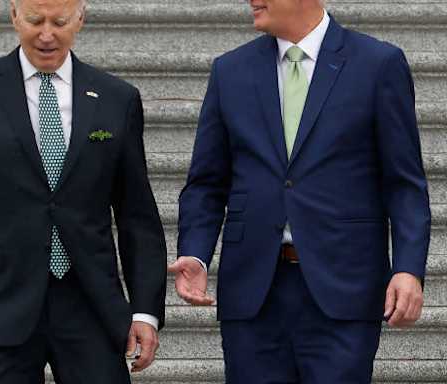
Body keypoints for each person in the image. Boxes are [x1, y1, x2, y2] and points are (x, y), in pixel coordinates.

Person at [171, 0, 430, 382]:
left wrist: (408, 268)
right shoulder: (230, 70)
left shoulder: (377, 64)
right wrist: (196, 252)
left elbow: (404, 183)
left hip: (343, 289)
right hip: (253, 294)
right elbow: (206, 184)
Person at [0, 0, 167, 382]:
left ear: (81, 18)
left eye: (59, 22)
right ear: (14, 15)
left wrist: (145, 310)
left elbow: (137, 217)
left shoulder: (117, 98)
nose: (47, 34)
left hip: (90, 303)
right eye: (35, 20)